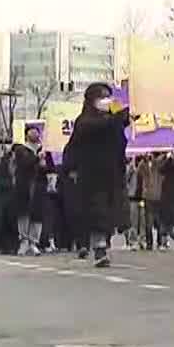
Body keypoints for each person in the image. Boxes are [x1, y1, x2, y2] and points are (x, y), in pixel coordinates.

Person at [64, 84, 131, 267]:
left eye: (108, 96)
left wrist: (129, 111)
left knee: (112, 212)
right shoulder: (85, 121)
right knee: (97, 211)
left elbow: (121, 123)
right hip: (92, 174)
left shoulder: (112, 119)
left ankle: (104, 243)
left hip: (113, 174)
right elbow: (101, 126)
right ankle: (98, 248)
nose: (106, 100)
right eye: (102, 97)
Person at [9, 125, 47, 255]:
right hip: (24, 186)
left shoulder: (43, 150)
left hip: (38, 186)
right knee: (24, 214)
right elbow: (25, 163)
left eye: (37, 131)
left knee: (37, 215)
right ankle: (24, 241)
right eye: (32, 131)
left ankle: (34, 242)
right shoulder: (21, 149)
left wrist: (44, 164)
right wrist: (37, 158)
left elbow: (49, 168)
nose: (35, 134)